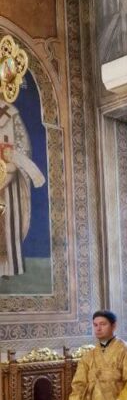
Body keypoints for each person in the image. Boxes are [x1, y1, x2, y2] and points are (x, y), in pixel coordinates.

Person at [0, 96, 46, 277]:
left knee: (8, 225)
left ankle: (8, 268)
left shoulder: (10, 113)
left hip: (8, 180)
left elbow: (23, 145)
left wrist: (12, 156)